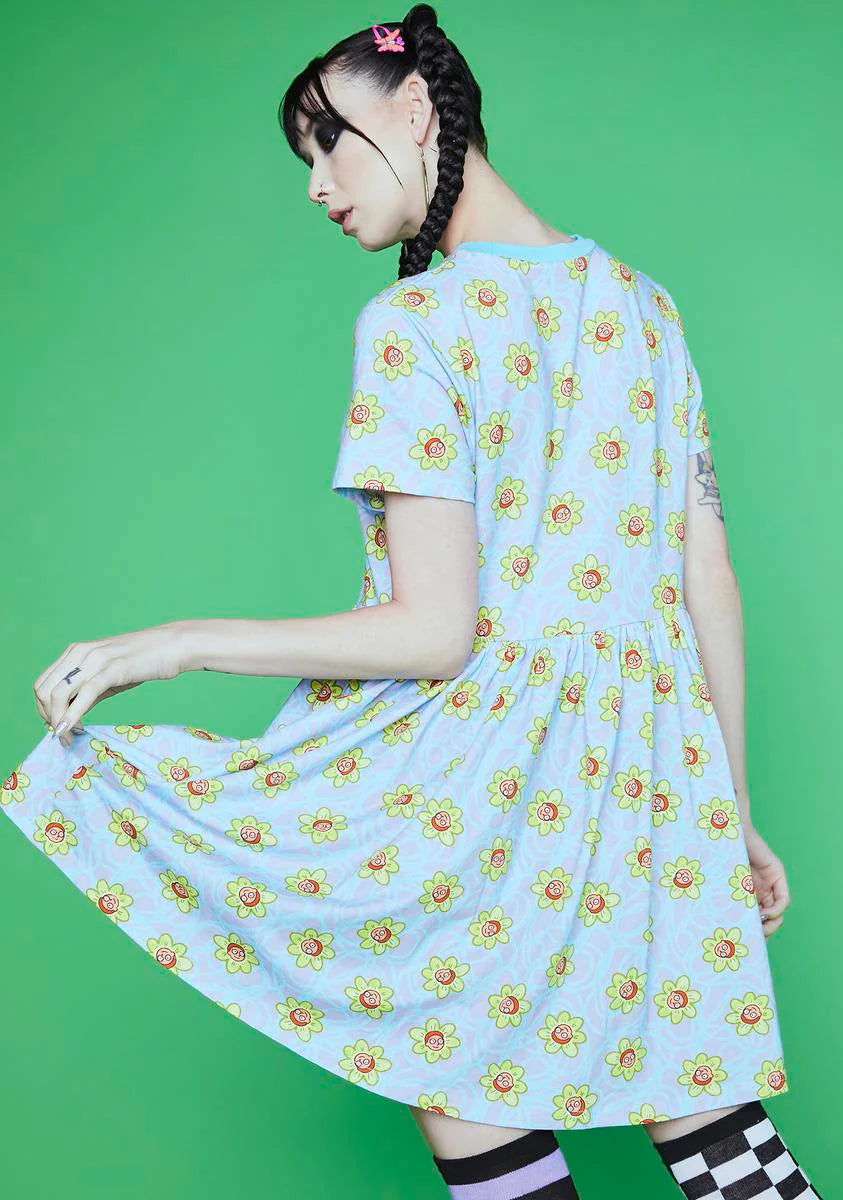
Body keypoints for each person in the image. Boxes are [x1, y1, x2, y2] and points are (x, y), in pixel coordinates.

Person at [0, 6, 823, 1198]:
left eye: (330, 141)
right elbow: (711, 581)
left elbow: (436, 634)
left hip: (486, 783)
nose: (317, 184)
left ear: (421, 107)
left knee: (475, 1101)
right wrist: (727, 808)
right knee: (711, 1127)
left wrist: (173, 643)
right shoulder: (648, 308)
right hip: (652, 773)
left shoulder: (417, 323)